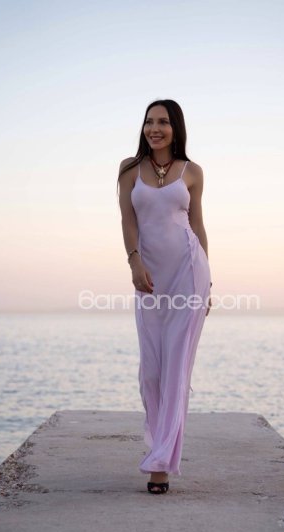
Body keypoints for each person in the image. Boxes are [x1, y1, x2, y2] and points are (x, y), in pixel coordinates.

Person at [117, 99, 212, 494]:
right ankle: (159, 448)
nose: (154, 128)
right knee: (152, 371)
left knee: (176, 370)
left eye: (163, 122)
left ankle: (161, 464)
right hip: (150, 279)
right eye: (149, 122)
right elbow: (127, 219)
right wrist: (134, 262)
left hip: (189, 274)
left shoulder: (192, 172)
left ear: (176, 129)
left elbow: (198, 225)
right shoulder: (129, 169)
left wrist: (209, 283)